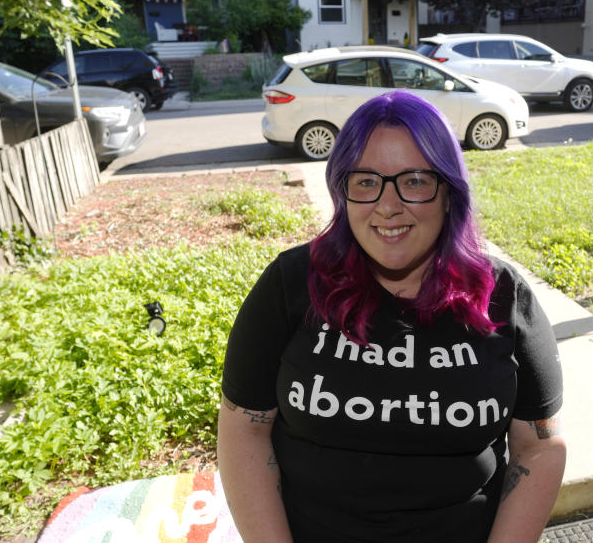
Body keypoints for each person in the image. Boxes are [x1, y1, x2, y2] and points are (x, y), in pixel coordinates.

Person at [218, 91, 567, 542]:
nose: (387, 205)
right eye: (365, 181)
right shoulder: (291, 284)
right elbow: (244, 431)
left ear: (448, 192)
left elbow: (538, 448)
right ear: (342, 191)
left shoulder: (502, 297)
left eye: (415, 180)